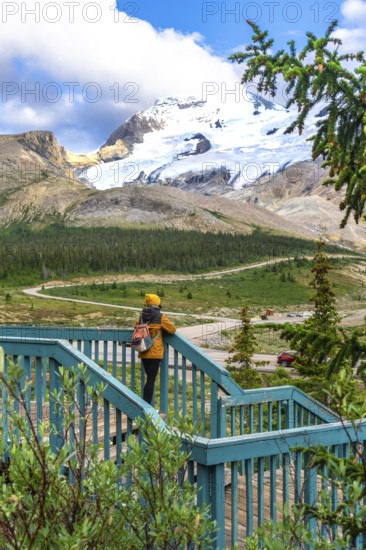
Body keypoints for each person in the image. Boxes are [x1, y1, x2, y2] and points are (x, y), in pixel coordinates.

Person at [136, 293, 176, 405]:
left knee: (149, 379)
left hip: (143, 350)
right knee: (150, 381)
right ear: (157, 303)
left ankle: (145, 405)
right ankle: (146, 407)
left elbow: (136, 327)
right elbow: (172, 329)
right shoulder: (160, 316)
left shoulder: (142, 315)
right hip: (155, 353)